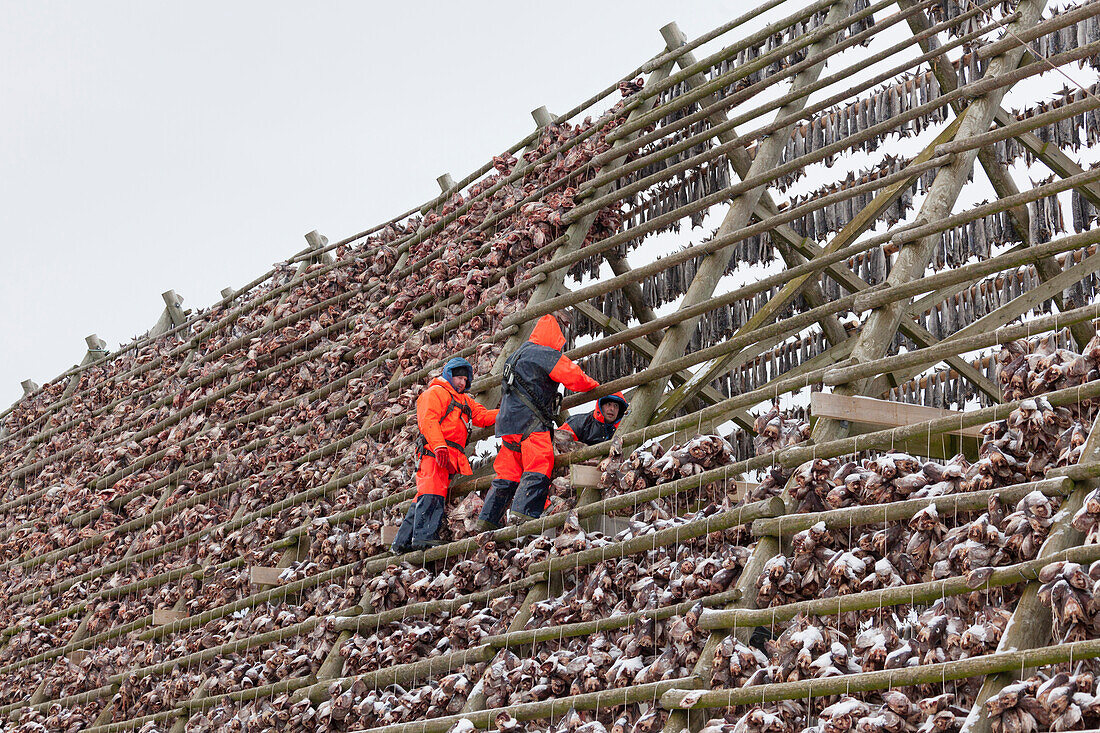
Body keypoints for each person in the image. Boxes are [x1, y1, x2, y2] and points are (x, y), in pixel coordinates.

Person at [477, 314, 599, 529]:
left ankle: (487, 519)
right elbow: (574, 377)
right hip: (531, 424)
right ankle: (523, 514)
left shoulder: (514, 356)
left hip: (508, 425)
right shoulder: (544, 354)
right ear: (555, 338)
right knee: (539, 465)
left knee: (507, 473)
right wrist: (593, 385)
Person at [391, 356, 498, 553]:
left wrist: (504, 412)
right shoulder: (435, 393)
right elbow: (428, 421)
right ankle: (423, 538)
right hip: (434, 452)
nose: (462, 382)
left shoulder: (465, 400)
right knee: (431, 492)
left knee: (426, 494)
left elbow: (482, 417)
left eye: (466, 380)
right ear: (449, 375)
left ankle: (402, 542)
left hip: (449, 455)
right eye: (459, 378)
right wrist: (439, 446)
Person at [559, 392, 628, 446]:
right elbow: (555, 441)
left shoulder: (624, 429)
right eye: (608, 404)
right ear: (600, 406)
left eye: (616, 406)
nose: (612, 409)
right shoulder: (578, 422)